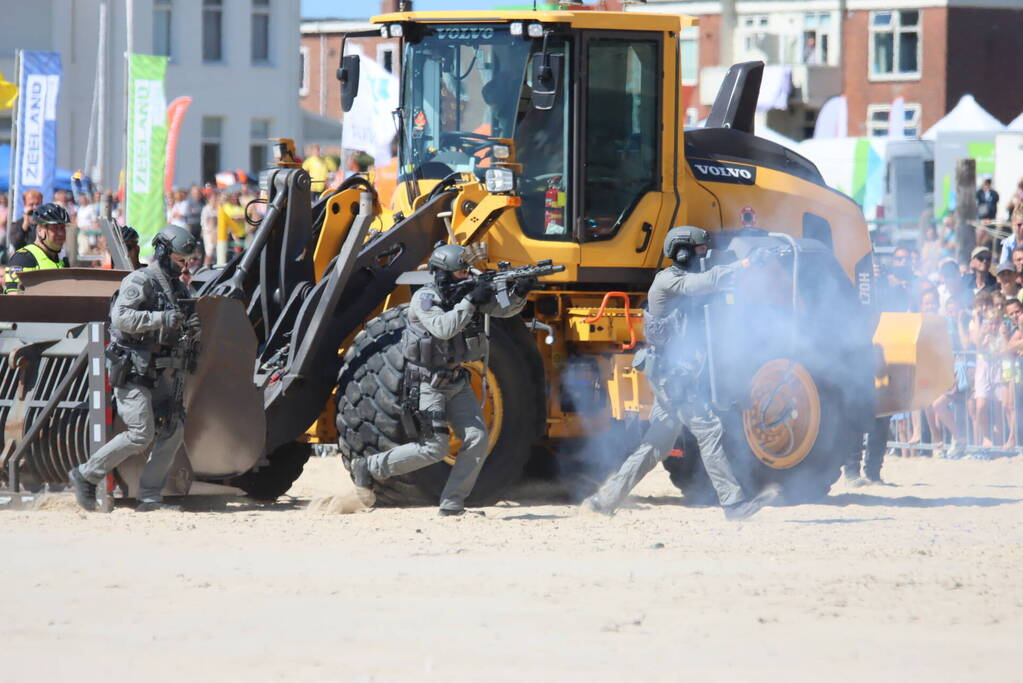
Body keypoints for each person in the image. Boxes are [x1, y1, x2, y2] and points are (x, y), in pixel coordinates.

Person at [581, 226, 779, 519]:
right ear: (682, 252)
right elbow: (708, 281)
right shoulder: (668, 281)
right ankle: (734, 504)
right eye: (699, 251)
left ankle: (604, 501)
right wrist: (748, 262)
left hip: (673, 374)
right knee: (709, 429)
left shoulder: (684, 280)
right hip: (673, 376)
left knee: (656, 445)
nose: (703, 256)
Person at [348, 243, 532, 516]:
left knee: (477, 439)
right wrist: (471, 300)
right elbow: (443, 328)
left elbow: (502, 310)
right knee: (433, 448)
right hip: (426, 385)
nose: (466, 276)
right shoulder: (425, 298)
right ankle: (370, 467)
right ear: (443, 275)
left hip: (455, 381)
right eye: (460, 273)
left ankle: (452, 503)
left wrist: (518, 293)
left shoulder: (463, 292)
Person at [68, 225, 201, 512]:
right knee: (141, 433)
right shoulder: (141, 280)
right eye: (181, 260)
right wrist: (161, 318)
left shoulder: (178, 287)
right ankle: (86, 475)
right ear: (164, 253)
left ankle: (150, 497)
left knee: (174, 428)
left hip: (161, 370)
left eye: (189, 261)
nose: (185, 266)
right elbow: (122, 318)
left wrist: (191, 328)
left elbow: (185, 325)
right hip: (132, 369)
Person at [4, 203, 70, 293]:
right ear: (40, 230)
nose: (61, 233)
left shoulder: (62, 259)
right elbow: (14, 299)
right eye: (55, 228)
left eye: (62, 228)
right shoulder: (23, 259)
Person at [9, 189, 43, 253]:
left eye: (37, 204)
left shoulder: (46, 224)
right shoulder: (16, 224)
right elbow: (16, 244)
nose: (34, 207)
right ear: (25, 205)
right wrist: (25, 225)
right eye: (31, 204)